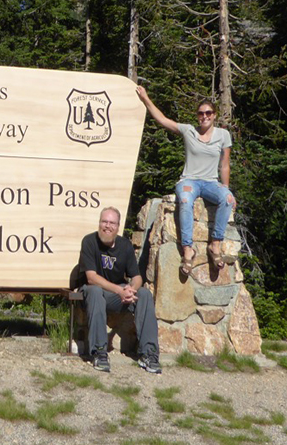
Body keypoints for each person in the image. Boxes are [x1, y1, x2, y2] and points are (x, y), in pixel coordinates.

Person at [136, 87, 236, 276]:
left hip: (211, 182)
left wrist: (226, 188)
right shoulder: (189, 131)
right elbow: (164, 120)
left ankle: (215, 244)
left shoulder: (223, 135)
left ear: (214, 115)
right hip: (189, 180)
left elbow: (225, 165)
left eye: (208, 113)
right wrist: (145, 98)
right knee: (185, 200)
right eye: (201, 113)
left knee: (228, 199)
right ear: (197, 116)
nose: (204, 116)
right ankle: (188, 250)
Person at [77, 207, 161, 374]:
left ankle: (148, 353)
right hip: (94, 293)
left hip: (116, 294)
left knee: (144, 294)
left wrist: (131, 289)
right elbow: (91, 277)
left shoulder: (125, 245)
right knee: (94, 291)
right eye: (104, 221)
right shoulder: (89, 241)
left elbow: (137, 277)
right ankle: (99, 352)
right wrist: (119, 290)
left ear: (117, 226)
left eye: (112, 223)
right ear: (99, 223)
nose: (107, 226)